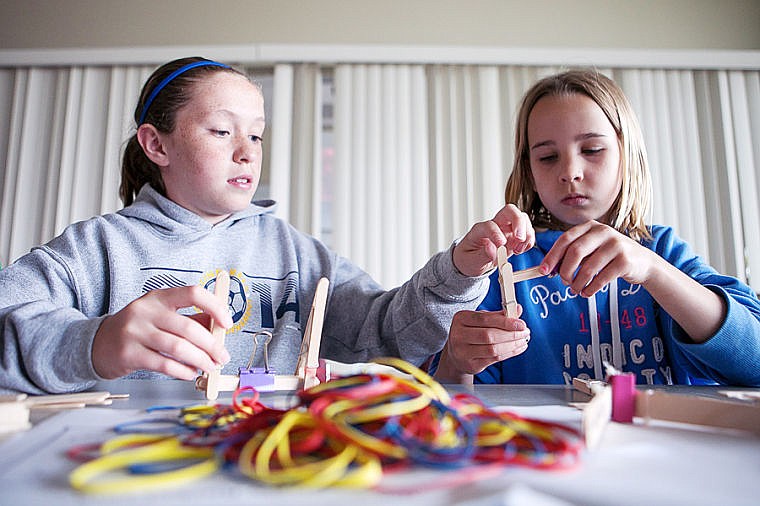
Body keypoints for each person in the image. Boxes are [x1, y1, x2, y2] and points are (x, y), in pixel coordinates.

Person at [0, 57, 534, 394]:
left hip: (269, 467)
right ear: (156, 144)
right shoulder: (98, 248)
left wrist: (461, 270)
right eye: (220, 130)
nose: (245, 153)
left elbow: (385, 333)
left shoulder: (294, 253)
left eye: (255, 136)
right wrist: (94, 342)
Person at [434, 69, 760, 386]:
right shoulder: (500, 269)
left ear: (626, 155)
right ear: (529, 171)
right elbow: (457, 408)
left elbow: (754, 359)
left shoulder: (663, 252)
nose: (571, 172)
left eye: (591, 150)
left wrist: (653, 270)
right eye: (547, 157)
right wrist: (455, 362)